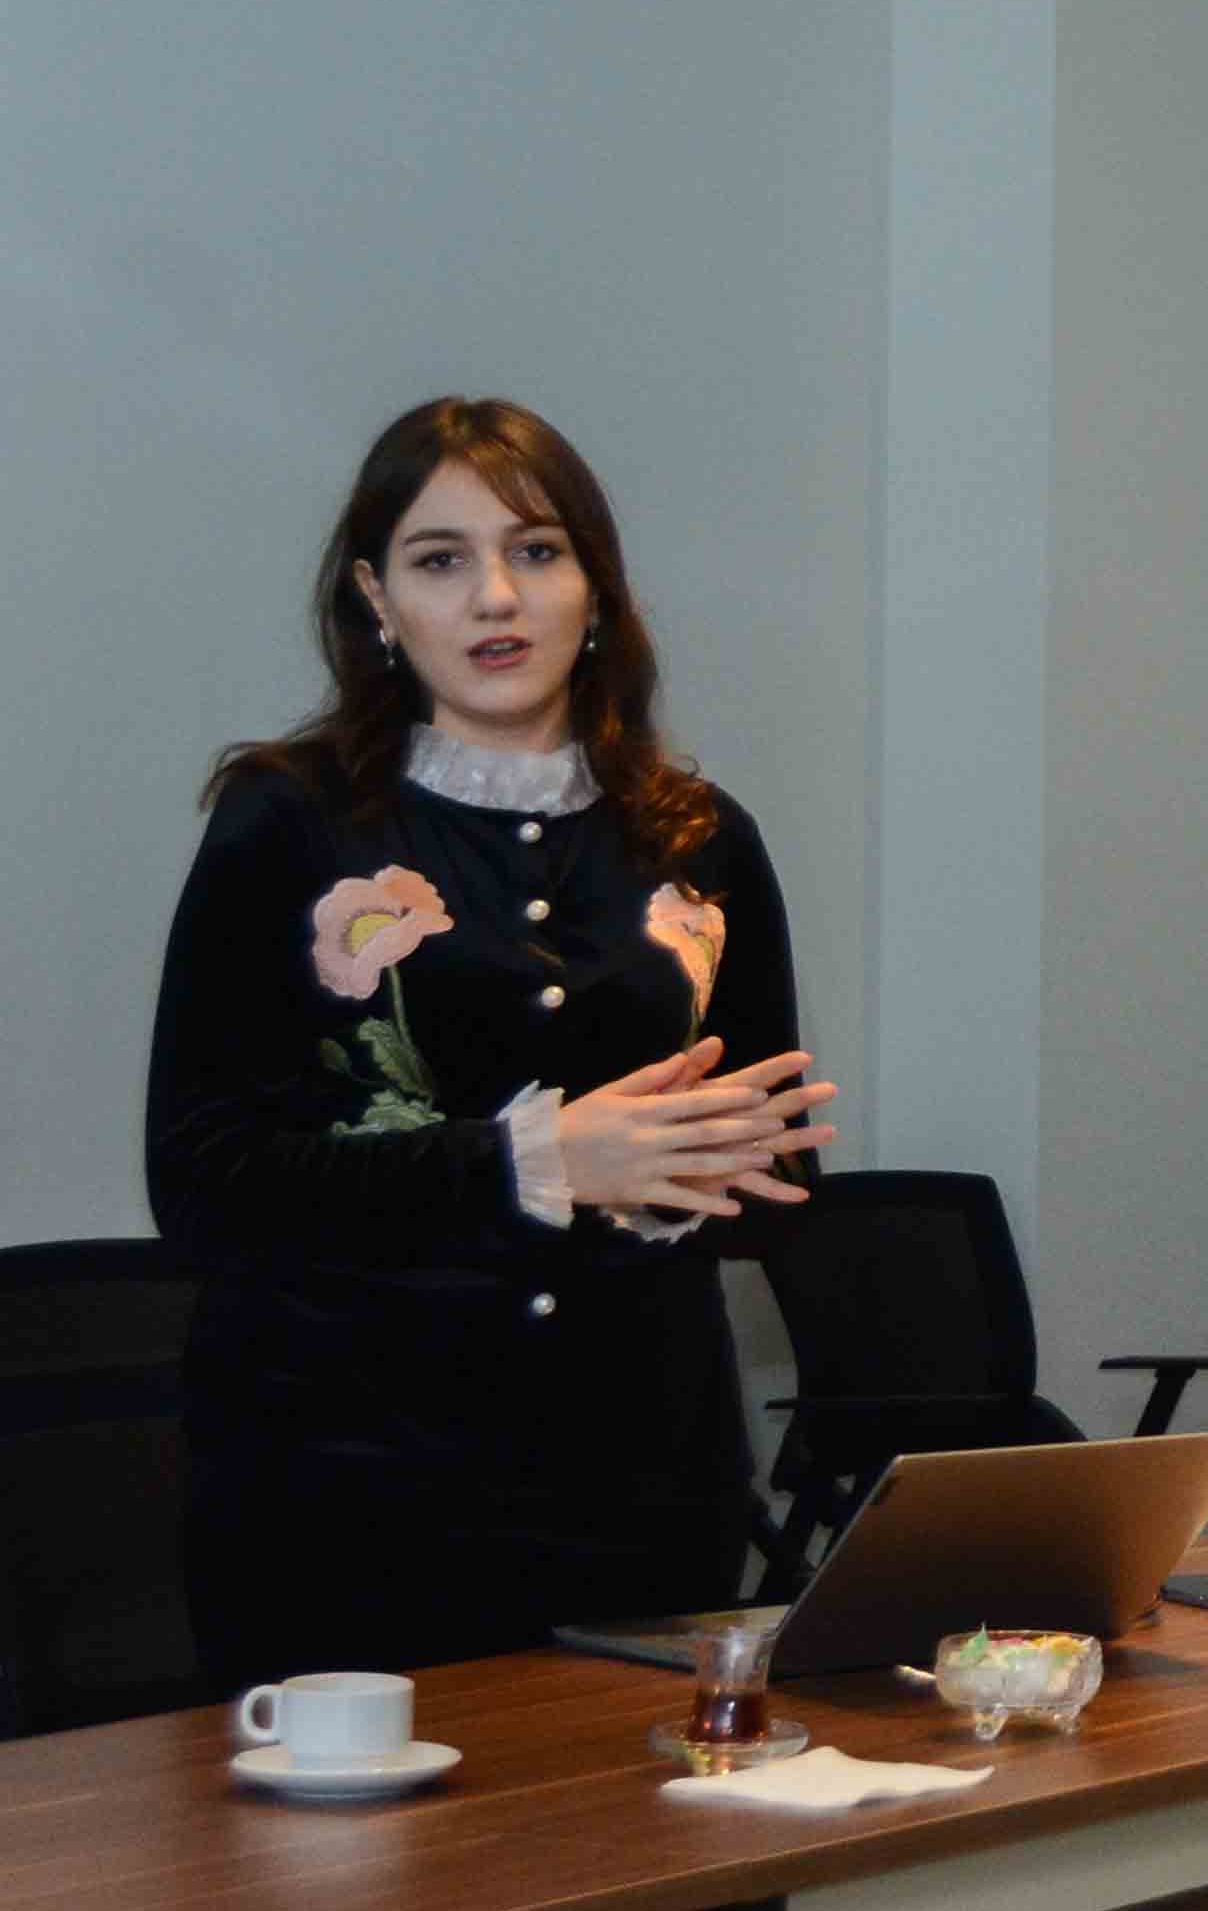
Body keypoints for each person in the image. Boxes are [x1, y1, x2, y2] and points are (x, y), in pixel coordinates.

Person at [147, 400, 836, 1686]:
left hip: (644, 1489)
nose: (495, 597)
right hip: (347, 1494)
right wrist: (535, 1161)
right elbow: (203, 1184)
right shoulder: (288, 823)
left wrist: (701, 1179)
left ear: (596, 585)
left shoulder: (702, 839)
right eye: (440, 559)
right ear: (377, 599)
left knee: (646, 1813)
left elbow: (775, 1181)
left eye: (537, 550)